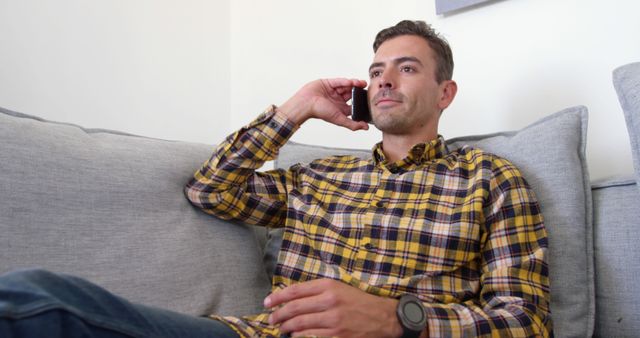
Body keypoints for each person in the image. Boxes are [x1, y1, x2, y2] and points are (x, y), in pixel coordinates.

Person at [0, 20, 552, 338]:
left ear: (445, 92)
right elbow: (209, 190)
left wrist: (397, 319)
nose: (384, 80)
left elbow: (527, 323)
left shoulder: (491, 180)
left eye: (406, 67)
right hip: (259, 336)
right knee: (42, 301)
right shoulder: (317, 178)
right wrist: (297, 109)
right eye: (376, 70)